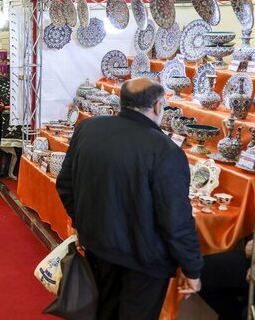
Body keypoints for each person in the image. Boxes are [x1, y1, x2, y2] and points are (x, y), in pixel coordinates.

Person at [56, 78, 203, 319]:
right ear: (157, 107)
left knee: (103, 310)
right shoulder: (165, 150)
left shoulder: (88, 128)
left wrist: (82, 224)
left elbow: (65, 184)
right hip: (144, 260)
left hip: (98, 244)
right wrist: (192, 268)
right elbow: (176, 220)